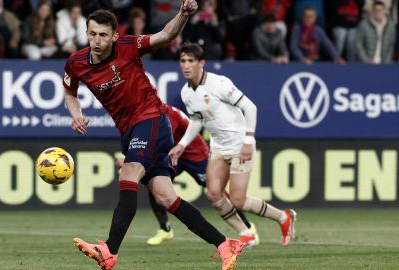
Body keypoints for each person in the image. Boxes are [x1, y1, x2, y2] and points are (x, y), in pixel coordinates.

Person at [62, 4, 244, 270]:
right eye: (92, 34)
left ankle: (109, 250)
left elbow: (166, 36)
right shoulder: (76, 63)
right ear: (86, 33)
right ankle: (225, 243)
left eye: (103, 35)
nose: (97, 40)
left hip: (152, 119)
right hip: (128, 129)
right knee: (165, 196)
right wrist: (75, 114)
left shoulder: (128, 45)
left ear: (114, 36)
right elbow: (70, 92)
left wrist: (183, 13)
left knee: (129, 172)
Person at [169, 43, 297, 248]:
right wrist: (182, 144)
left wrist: (248, 141)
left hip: (240, 145)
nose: (186, 65)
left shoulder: (219, 83)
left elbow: (250, 107)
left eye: (191, 61)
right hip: (219, 147)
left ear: (201, 63)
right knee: (213, 194)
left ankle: (283, 217)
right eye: (183, 61)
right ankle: (245, 234)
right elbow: (197, 120)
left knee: (237, 200)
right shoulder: (186, 92)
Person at [116, 104, 260, 246]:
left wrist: (131, 160)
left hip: (194, 155)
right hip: (172, 155)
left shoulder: (165, 114)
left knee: (216, 192)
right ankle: (165, 229)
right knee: (153, 181)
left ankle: (247, 227)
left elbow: (156, 141)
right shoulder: (149, 112)